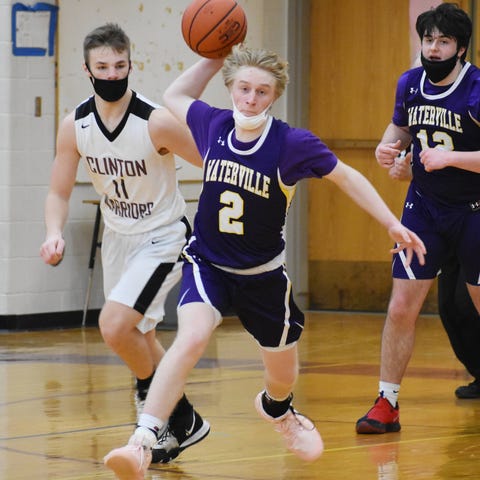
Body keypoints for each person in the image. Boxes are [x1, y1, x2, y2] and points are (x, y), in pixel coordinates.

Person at [103, 42, 426, 478]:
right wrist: (214, 57)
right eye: (243, 88)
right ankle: (143, 440)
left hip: (263, 279)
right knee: (191, 338)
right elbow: (175, 96)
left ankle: (280, 411)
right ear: (231, 89)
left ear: (275, 96)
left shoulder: (291, 143)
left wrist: (390, 222)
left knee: (281, 377)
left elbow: (345, 176)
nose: (250, 99)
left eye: (261, 91)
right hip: (208, 264)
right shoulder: (213, 123)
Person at [39, 23, 210, 462]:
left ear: (131, 66)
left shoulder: (156, 121)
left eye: (120, 66)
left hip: (162, 236)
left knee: (113, 327)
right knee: (138, 333)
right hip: (117, 239)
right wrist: (53, 232)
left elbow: (213, 160)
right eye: (103, 67)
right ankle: (182, 417)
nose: (112, 74)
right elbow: (59, 190)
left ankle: (153, 407)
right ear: (87, 69)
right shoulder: (74, 125)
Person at [356, 2, 480, 434]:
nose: (433, 48)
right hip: (423, 208)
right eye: (428, 40)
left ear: (461, 49)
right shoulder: (409, 84)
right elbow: (401, 133)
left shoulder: (478, 89)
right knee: (402, 306)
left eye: (443, 41)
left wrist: (452, 158)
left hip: (473, 210)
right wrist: (385, 149)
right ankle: (386, 402)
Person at [390, 152, 480, 399]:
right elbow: (419, 156)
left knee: (466, 301)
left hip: (473, 213)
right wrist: (402, 165)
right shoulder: (422, 117)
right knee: (449, 305)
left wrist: (450, 158)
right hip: (444, 214)